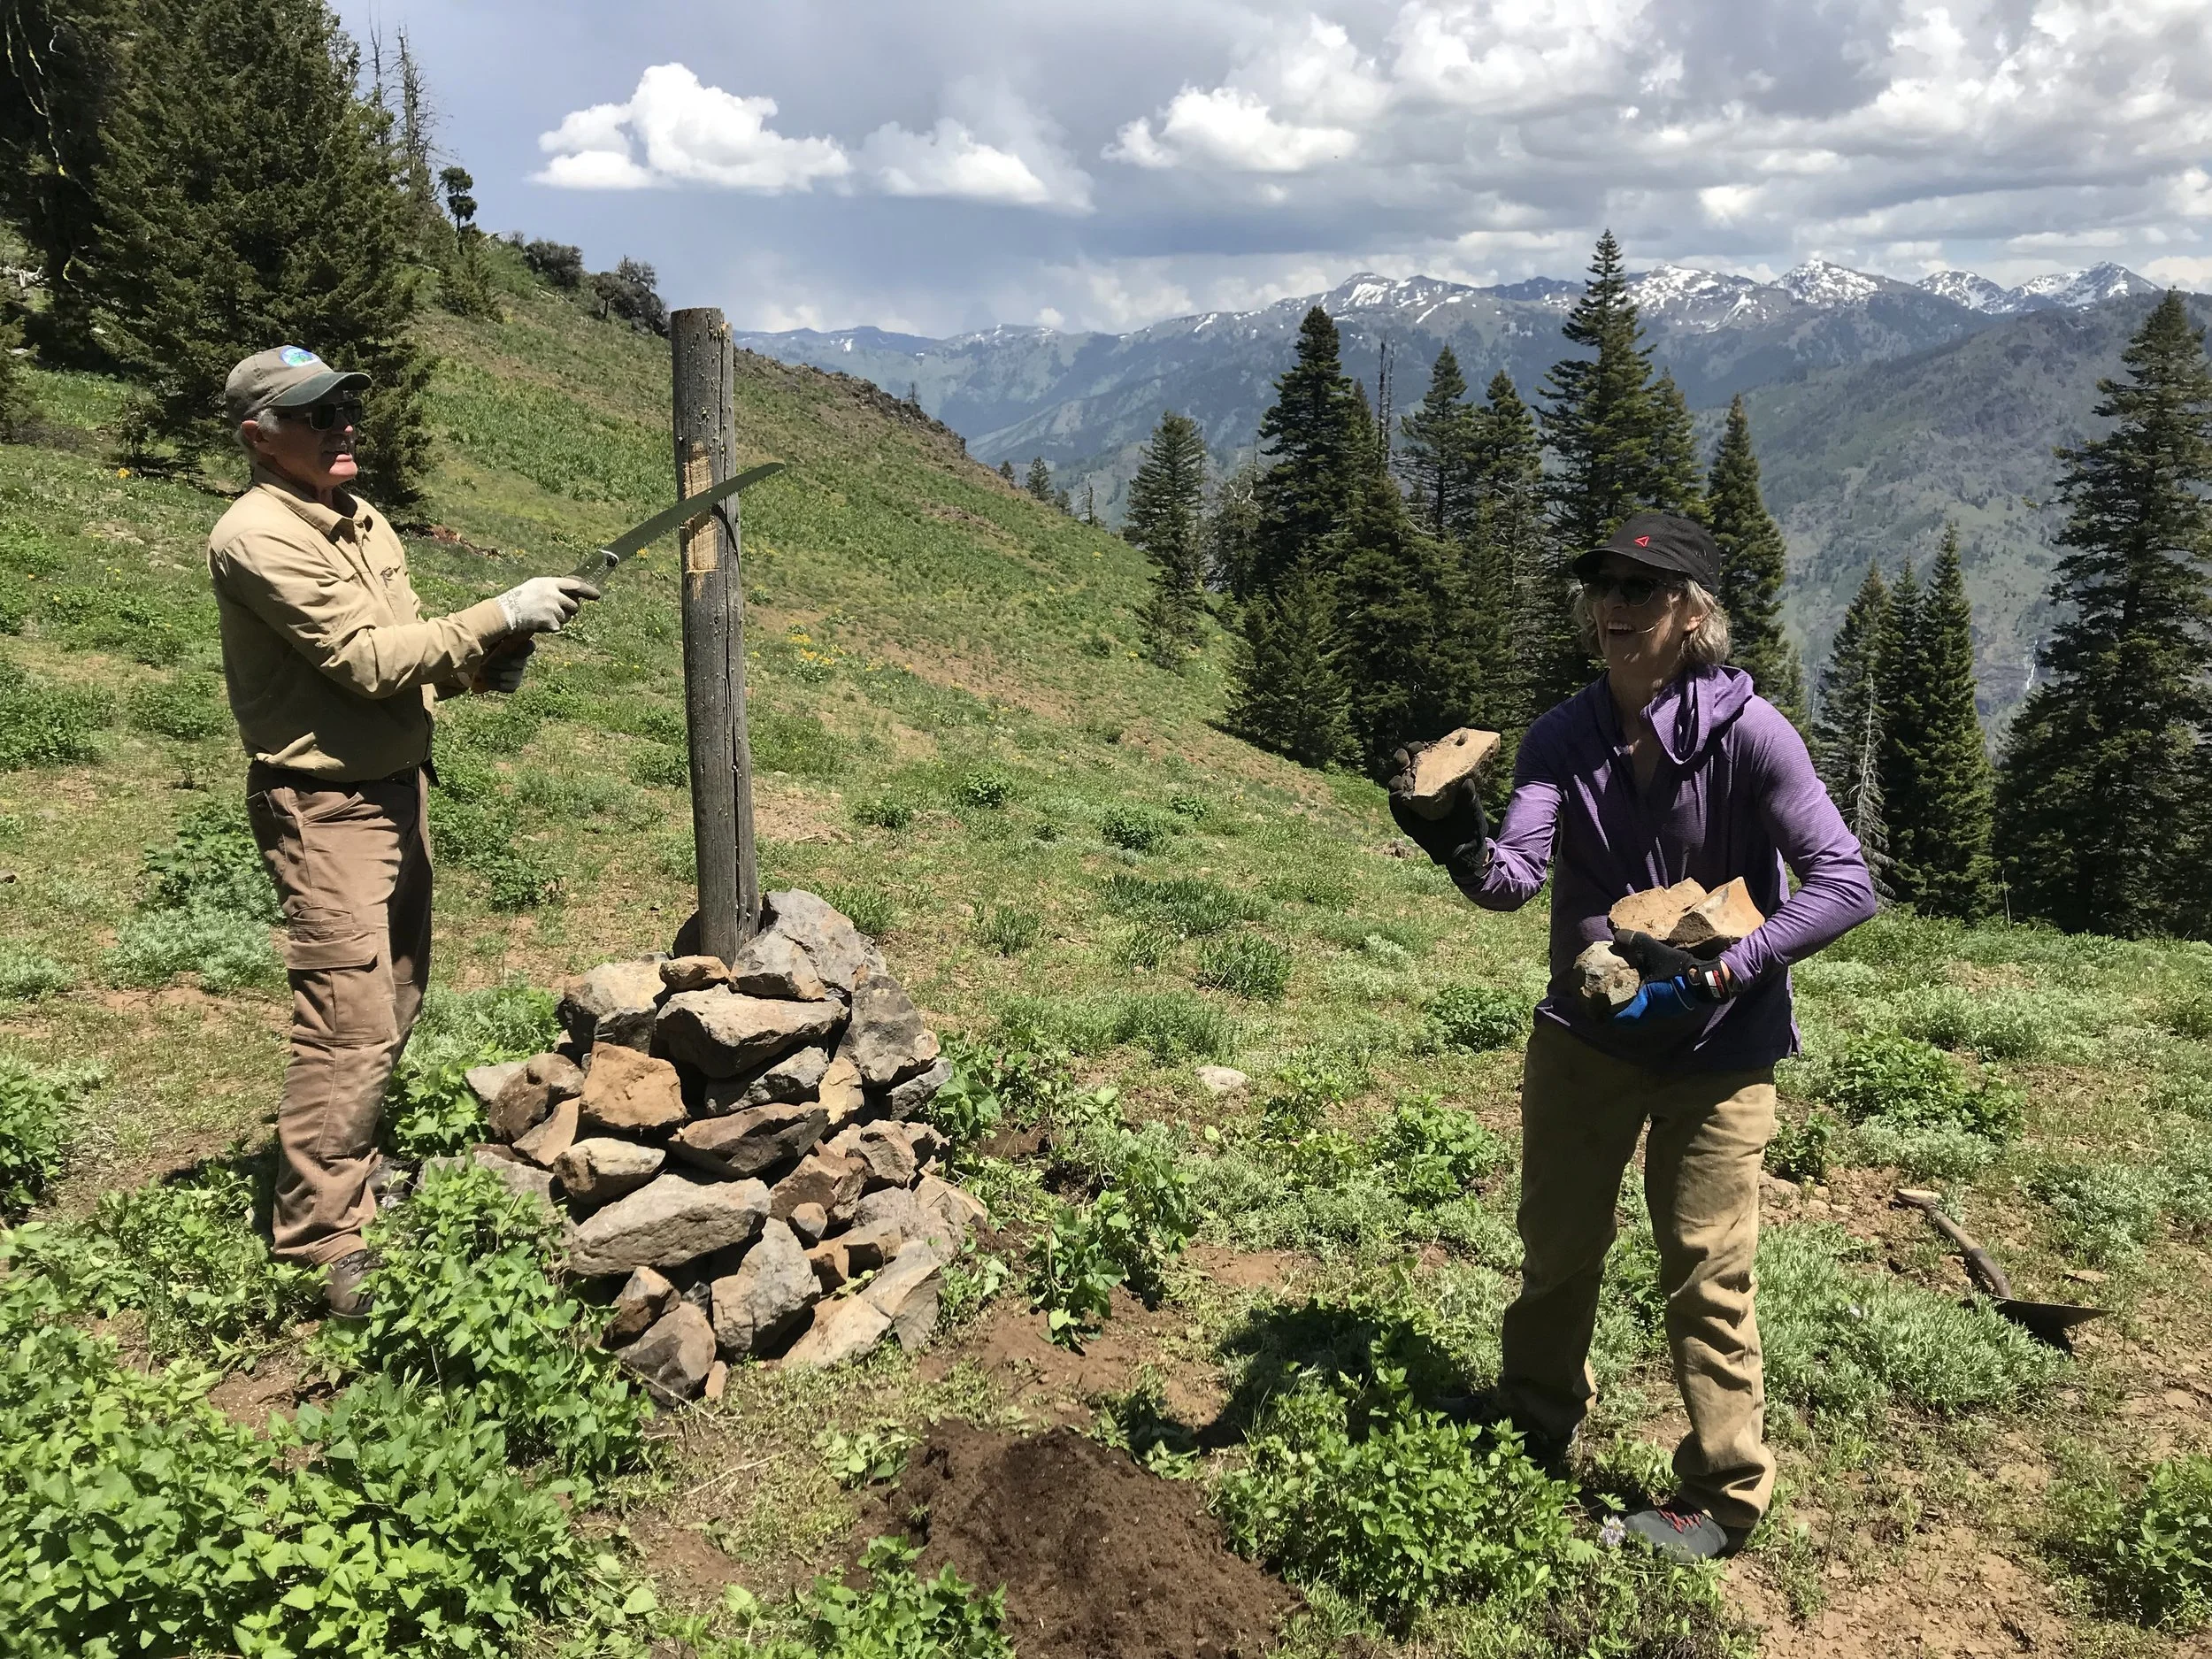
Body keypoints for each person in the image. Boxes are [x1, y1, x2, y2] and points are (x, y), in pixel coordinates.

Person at [1388, 511, 1876, 1562]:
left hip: (1721, 1051)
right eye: (1599, 588)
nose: (1611, 607)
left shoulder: (1753, 735)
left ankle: (1723, 1495)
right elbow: (1511, 882)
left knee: (1706, 1271)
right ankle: (1533, 1419)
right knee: (1556, 1247)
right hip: (1586, 1038)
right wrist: (1450, 833)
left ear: (1692, 613)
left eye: (1638, 591)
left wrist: (1724, 967)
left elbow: (1845, 884)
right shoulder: (1563, 736)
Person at [207, 346, 600, 1315]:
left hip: (396, 786)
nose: (344, 425)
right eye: (317, 415)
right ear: (261, 437)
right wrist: (497, 609)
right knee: (347, 1021)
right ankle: (321, 1239)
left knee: (393, 999)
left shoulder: (361, 520)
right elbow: (366, 659)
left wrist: (481, 661)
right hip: (324, 805)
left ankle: (349, 1173)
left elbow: (412, 650)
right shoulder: (257, 537)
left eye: (346, 406)